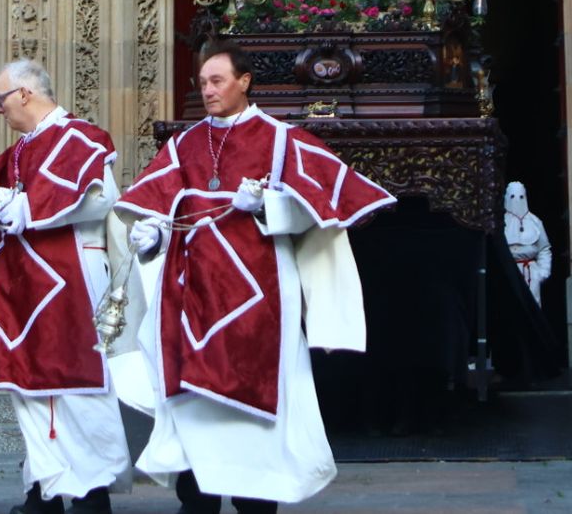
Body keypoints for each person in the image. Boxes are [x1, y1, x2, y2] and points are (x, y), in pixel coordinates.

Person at [116, 39, 395, 513]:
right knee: (193, 408)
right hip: (188, 304)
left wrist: (268, 204)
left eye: (217, 80)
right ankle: (196, 500)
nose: (207, 90)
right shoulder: (184, 144)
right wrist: (151, 238)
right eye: (202, 82)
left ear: (244, 82)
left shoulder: (280, 139)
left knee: (251, 417)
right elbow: (156, 210)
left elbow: (325, 206)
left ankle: (255, 502)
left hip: (259, 301)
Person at [0, 59, 131, 514]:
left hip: (69, 276)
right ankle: (45, 489)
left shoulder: (80, 137)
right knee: (29, 388)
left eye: (1, 99)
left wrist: (29, 209)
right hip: (22, 281)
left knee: (76, 387)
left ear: (25, 94)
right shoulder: (20, 149)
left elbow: (100, 198)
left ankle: (92, 494)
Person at [503, 181, 552, 306]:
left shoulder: (535, 222)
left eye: (520, 197)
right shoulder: (501, 223)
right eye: (512, 197)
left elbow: (544, 249)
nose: (516, 201)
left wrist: (542, 273)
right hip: (510, 273)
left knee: (533, 308)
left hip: (531, 273)